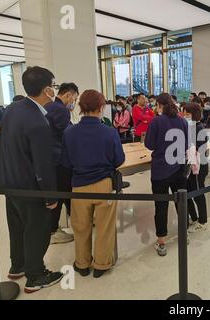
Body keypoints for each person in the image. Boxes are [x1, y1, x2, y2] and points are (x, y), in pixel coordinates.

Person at [0, 66, 63, 293]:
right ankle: (35, 275)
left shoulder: (13, 109)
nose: (55, 89)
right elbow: (42, 165)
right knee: (37, 229)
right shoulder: (38, 122)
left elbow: (2, 145)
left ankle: (18, 265)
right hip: (29, 187)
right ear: (46, 90)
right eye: (53, 86)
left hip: (8, 182)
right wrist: (50, 196)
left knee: (17, 227)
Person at [61, 89, 125, 278]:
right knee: (105, 227)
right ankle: (101, 265)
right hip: (104, 184)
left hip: (79, 185)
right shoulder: (109, 132)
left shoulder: (69, 132)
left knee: (81, 227)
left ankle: (82, 264)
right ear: (101, 107)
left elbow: (65, 162)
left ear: (80, 107)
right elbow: (119, 159)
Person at [145, 93, 188, 256]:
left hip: (161, 169)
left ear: (159, 105)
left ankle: (162, 241)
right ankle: (184, 234)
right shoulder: (182, 120)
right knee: (181, 203)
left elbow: (149, 144)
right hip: (178, 168)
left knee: (161, 206)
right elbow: (186, 143)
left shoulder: (156, 121)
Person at [45, 82, 79, 245]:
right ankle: (53, 230)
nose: (74, 102)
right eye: (75, 98)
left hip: (50, 159)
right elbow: (67, 135)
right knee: (62, 192)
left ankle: (73, 221)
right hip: (59, 160)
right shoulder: (60, 110)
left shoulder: (49, 107)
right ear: (69, 95)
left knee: (63, 192)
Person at [184, 103, 209, 232]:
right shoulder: (191, 127)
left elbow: (199, 149)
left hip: (199, 167)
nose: (185, 116)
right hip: (191, 165)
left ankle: (203, 220)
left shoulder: (200, 128)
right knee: (190, 192)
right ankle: (194, 217)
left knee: (198, 193)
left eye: (187, 114)